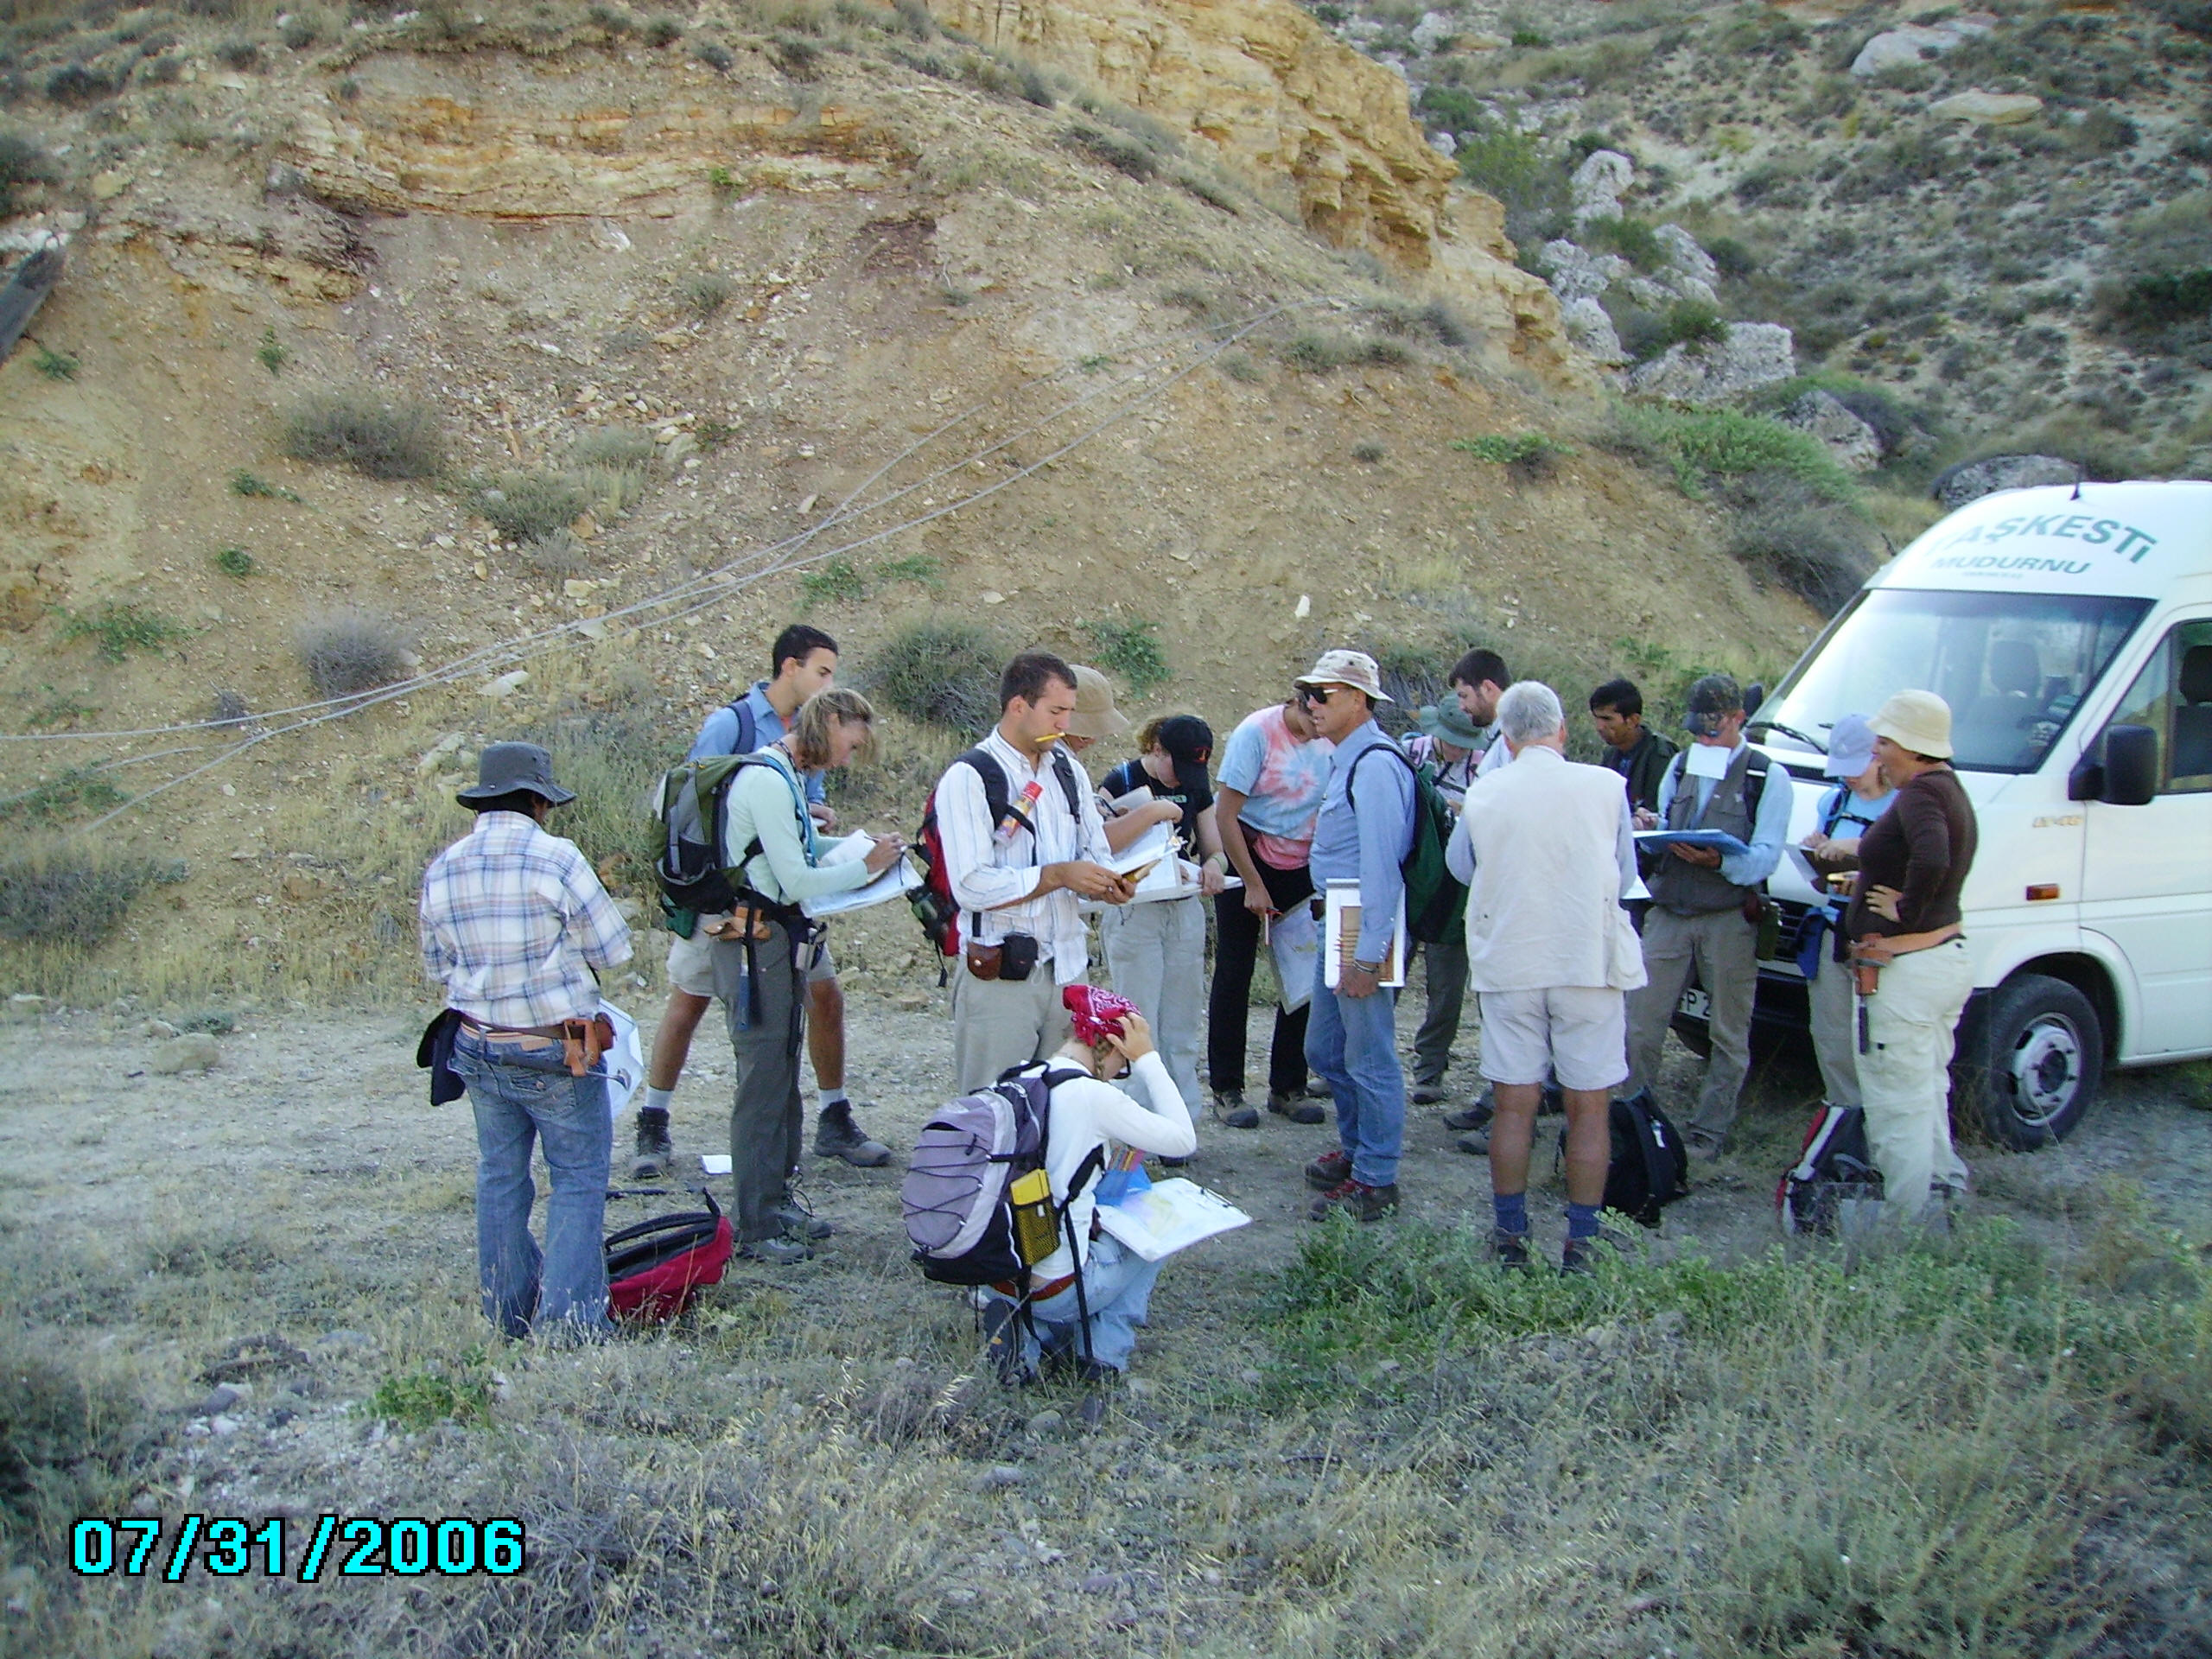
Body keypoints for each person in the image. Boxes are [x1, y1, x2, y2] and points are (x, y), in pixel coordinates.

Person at [636, 623, 891, 1183]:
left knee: (824, 998)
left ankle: (834, 1115)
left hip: (783, 907)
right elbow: (693, 799)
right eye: (822, 671)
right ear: (790, 667)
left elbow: (804, 815)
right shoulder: (733, 724)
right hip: (724, 902)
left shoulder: (809, 744)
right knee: (690, 1003)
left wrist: (815, 821)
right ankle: (653, 1122)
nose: (829, 682)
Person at [419, 742, 633, 1341]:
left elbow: (437, 963)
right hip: (553, 1047)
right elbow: (613, 950)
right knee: (577, 1177)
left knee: (500, 1175)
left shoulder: (445, 866)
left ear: (486, 801)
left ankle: (508, 1312)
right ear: (539, 801)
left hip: (476, 1041)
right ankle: (569, 1324)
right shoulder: (556, 858)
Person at [1445, 683, 1645, 1272]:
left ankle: (1511, 1235)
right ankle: (1581, 1241)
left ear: (1505, 737)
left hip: (1511, 962)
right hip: (1587, 960)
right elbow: (1627, 871)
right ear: (1561, 730)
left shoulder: (1486, 791)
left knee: (1514, 1105)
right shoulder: (1606, 787)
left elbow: (1462, 867)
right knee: (1590, 1106)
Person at [709, 688, 905, 1263]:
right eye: (849, 744)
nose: (847, 759)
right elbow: (795, 880)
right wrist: (864, 867)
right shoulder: (770, 780)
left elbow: (797, 848)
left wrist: (861, 848)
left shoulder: (783, 775)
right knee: (762, 1083)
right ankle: (756, 1222)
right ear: (832, 723)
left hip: (773, 941)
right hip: (757, 944)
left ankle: (775, 1205)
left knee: (779, 1074)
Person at [935, 652, 1133, 1093]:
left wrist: (1109, 884)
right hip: (1001, 977)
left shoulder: (1069, 770)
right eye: (1056, 711)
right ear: (1018, 706)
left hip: (1067, 970)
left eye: (1069, 712)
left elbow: (1095, 851)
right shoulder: (970, 776)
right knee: (995, 1109)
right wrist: (1059, 875)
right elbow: (969, 886)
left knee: (1066, 1108)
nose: (1065, 724)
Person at [981, 987, 1198, 1382]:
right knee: (1156, 1231)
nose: (1120, 1074)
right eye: (1124, 1064)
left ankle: (1025, 1340)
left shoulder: (1015, 1078)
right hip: (1058, 1289)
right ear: (1111, 1046)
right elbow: (1184, 1139)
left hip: (997, 1271)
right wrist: (1148, 1059)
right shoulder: (1094, 1096)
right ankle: (1102, 1355)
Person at [1623, 672, 1794, 1161]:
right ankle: (1633, 1116)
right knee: (1641, 1023)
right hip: (1671, 909)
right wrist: (1654, 829)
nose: (1704, 738)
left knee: (1728, 1030)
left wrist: (1719, 860)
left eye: (1713, 729)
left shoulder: (1766, 776)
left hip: (1728, 916)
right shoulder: (1678, 764)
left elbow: (1766, 856)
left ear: (1740, 719)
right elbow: (1661, 820)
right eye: (1698, 729)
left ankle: (1709, 1131)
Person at [1846, 691, 1979, 1225]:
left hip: (1905, 969)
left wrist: (1906, 908)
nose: (1877, 753)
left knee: (1897, 1100)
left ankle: (1905, 1230)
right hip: (1943, 958)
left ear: (1909, 745)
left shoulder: (1921, 795)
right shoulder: (1949, 789)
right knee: (1927, 1087)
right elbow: (1924, 858)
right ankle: (1942, 1200)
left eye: (1883, 742)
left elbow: (1932, 856)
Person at [1296, 650, 1416, 1223]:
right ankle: (1359, 1149)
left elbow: (1381, 870)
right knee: (1326, 1049)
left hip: (1360, 924)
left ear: (1360, 700)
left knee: (1368, 1055)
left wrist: (1368, 956)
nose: (1312, 704)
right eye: (1309, 694)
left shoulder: (1373, 765)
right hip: (1340, 920)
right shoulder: (1350, 758)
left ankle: (1376, 1176)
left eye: (1325, 694)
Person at [1208, 690, 1334, 1128]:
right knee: (1235, 971)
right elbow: (1225, 815)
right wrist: (1253, 884)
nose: (1319, 726)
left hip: (1303, 861)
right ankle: (1226, 1087)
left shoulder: (1332, 736)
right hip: (1250, 852)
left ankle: (1288, 1086)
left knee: (1300, 976)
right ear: (1299, 703)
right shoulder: (1256, 733)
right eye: (1313, 716)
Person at [1097, 715, 1225, 1123]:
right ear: (1156, 749)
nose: (1183, 778)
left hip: (1181, 906)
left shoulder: (1195, 784)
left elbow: (1213, 849)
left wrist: (1215, 867)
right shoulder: (1119, 780)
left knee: (1181, 1020)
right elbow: (1100, 841)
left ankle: (1180, 1119)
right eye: (1178, 766)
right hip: (1135, 911)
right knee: (1138, 1019)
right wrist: (1150, 813)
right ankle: (1138, 1120)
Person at [1794, 714, 1896, 1116]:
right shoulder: (1833, 802)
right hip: (1833, 929)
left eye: (1858, 768)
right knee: (1830, 1033)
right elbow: (1821, 883)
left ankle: (1880, 1124)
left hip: (1878, 938)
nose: (1850, 778)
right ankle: (1843, 1117)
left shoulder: (1903, 806)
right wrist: (1817, 853)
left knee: (1878, 1038)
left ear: (1880, 757)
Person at [1405, 700, 1482, 1107]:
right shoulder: (1408, 754)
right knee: (1385, 977)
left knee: (1447, 987)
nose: (1457, 749)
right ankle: (1357, 1063)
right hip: (1407, 880)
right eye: (1452, 741)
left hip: (1456, 889)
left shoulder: (1487, 765)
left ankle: (1430, 1069)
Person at [1589, 677, 1678, 817]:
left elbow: (1658, 811)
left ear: (1633, 720)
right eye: (1597, 718)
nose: (1599, 727)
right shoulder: (1611, 753)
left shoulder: (1660, 754)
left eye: (1607, 719)